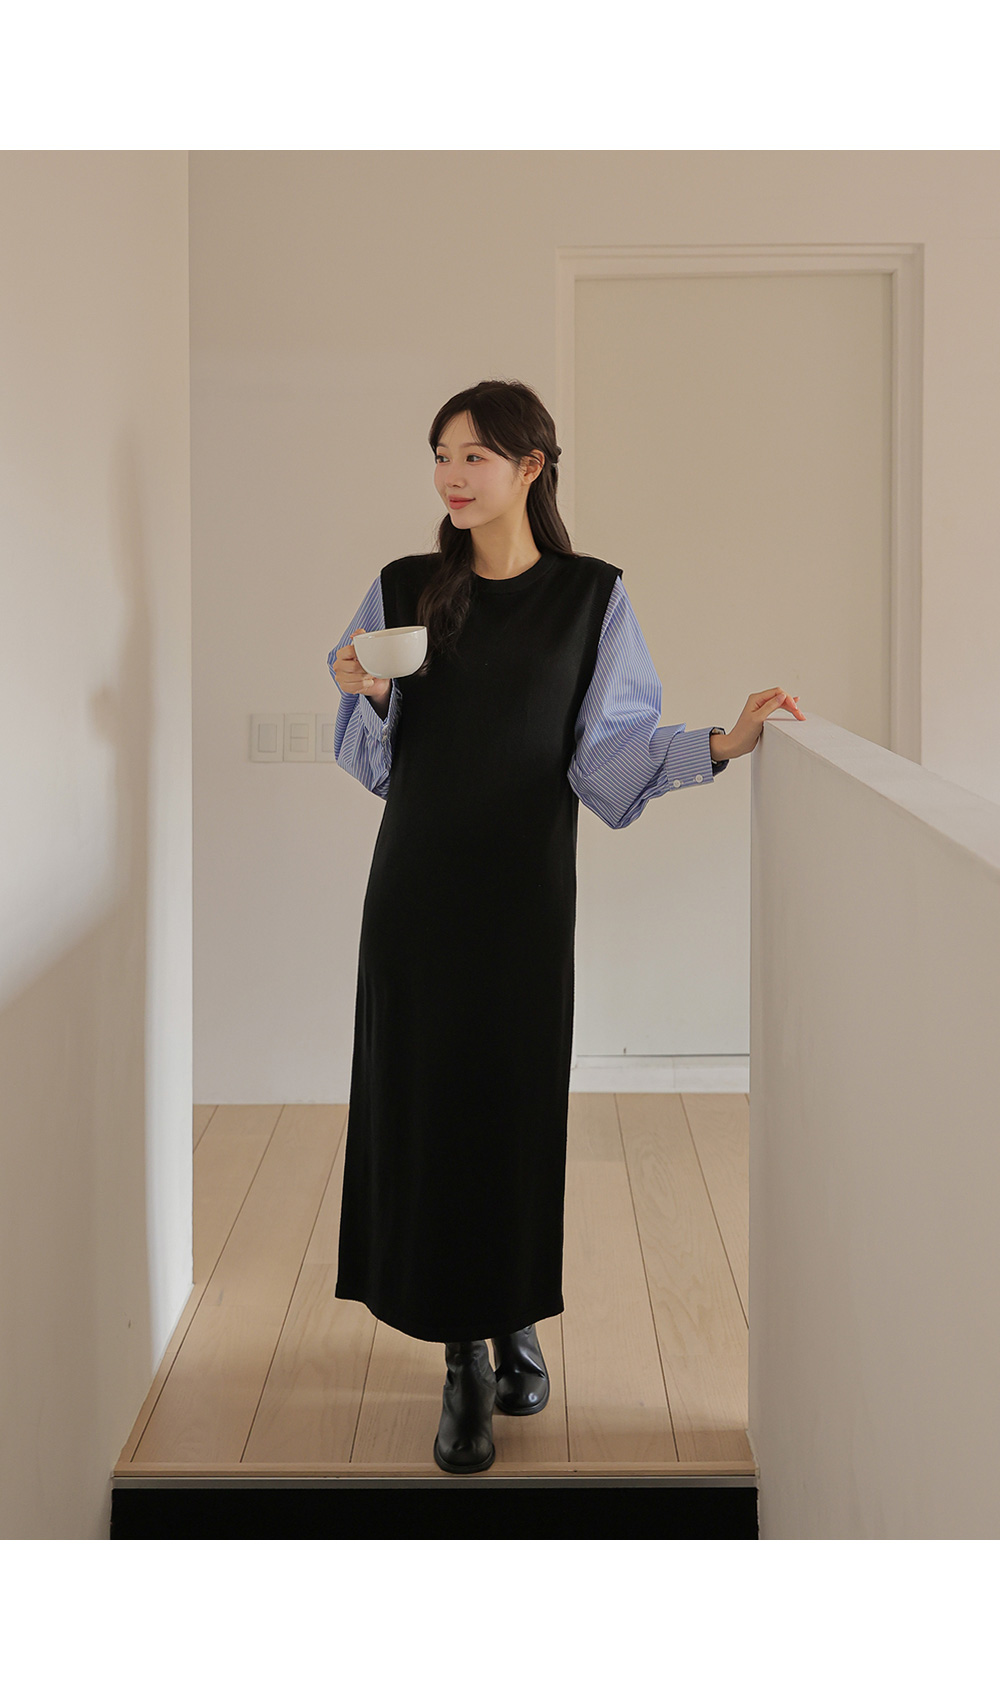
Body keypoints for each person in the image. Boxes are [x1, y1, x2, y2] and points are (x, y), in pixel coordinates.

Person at [328, 378, 805, 1475]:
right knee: (427, 1108)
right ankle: (461, 1360)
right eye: (441, 456)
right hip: (414, 897)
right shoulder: (402, 588)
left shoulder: (593, 597)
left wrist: (720, 744)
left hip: (524, 901)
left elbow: (605, 758)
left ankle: (512, 1317)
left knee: (512, 1107)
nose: (451, 477)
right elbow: (371, 761)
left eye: (473, 456)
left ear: (530, 466)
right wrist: (367, 691)